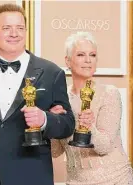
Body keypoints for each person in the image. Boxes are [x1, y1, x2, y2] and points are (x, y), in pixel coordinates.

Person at [0, 4, 75, 185]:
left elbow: (68, 124)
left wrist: (45, 119)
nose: (14, 34)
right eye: (7, 28)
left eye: (20, 28)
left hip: (31, 175)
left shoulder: (51, 72)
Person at [51, 31, 133, 185]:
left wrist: (89, 127)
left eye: (93, 55)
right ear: (68, 61)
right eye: (81, 55)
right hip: (75, 181)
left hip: (115, 179)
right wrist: (53, 123)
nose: (88, 60)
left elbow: (104, 146)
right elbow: (56, 151)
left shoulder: (109, 93)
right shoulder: (60, 99)